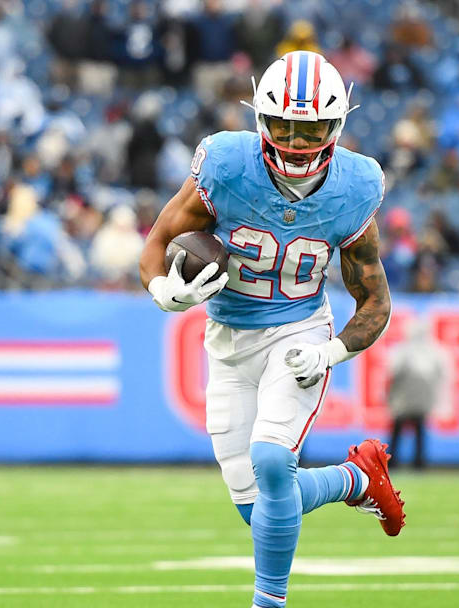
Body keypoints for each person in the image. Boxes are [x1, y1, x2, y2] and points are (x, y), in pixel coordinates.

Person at [138, 51, 404, 608]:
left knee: (272, 460)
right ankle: (355, 480)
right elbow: (159, 242)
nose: (296, 140)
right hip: (227, 338)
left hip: (298, 332)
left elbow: (375, 301)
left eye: (310, 128)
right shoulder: (226, 165)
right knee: (255, 506)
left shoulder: (355, 186)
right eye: (283, 124)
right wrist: (164, 290)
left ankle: (269, 602)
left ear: (336, 127)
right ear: (259, 118)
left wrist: (330, 351)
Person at [386, 318, 448, 469]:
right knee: (418, 428)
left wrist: (391, 394)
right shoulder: (433, 351)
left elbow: (394, 372)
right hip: (422, 399)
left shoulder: (403, 350)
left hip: (403, 397)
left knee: (399, 428)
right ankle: (418, 462)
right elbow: (440, 374)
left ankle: (393, 461)